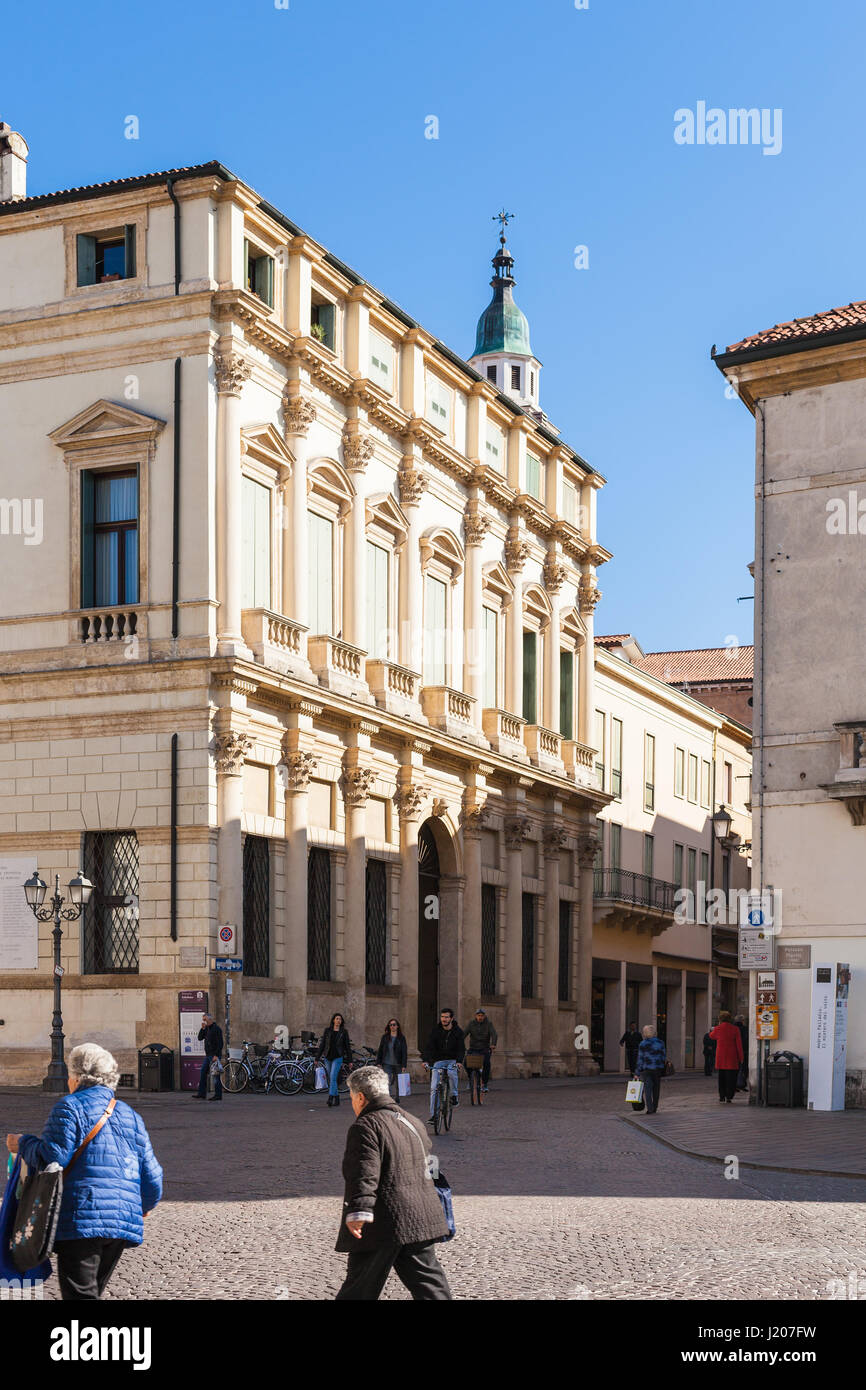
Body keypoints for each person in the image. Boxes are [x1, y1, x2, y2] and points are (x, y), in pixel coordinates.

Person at [6, 1043, 163, 1301]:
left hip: (81, 1217)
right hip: (120, 1222)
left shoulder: (70, 1106)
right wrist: (142, 1206)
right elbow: (152, 1175)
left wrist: (23, 1143)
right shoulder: (130, 1114)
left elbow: (52, 1157)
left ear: (77, 1077)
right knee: (91, 1292)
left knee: (81, 1295)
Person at [334, 1065, 452, 1300]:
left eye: (351, 1098)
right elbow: (431, 1166)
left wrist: (359, 1210)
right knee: (431, 1288)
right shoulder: (413, 1122)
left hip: (385, 1221)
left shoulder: (366, 1126)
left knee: (358, 1289)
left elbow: (364, 1171)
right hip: (420, 1217)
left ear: (360, 1097)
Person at [422, 1008, 465, 1126]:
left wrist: (459, 1062)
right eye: (442, 1017)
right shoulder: (435, 1031)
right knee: (434, 1088)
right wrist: (426, 1060)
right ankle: (433, 1116)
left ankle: (454, 1095)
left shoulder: (458, 1032)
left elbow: (461, 1048)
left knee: (451, 1073)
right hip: (438, 1061)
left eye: (446, 1017)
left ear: (451, 1019)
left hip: (452, 1060)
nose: (444, 1019)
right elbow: (429, 1046)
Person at [317, 1012, 353, 1107]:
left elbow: (347, 1046)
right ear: (333, 1020)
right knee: (331, 1078)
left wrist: (350, 1060)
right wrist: (317, 1057)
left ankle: (330, 1098)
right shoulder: (327, 1031)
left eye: (340, 1019)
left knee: (333, 1077)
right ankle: (337, 1097)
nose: (338, 1020)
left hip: (338, 1057)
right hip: (328, 1057)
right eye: (337, 1018)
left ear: (341, 1021)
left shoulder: (344, 1032)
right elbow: (323, 1044)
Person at [711, 1011, 744, 1103]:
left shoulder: (718, 1028)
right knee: (731, 1078)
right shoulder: (735, 1029)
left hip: (721, 1057)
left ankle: (722, 1096)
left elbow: (711, 1036)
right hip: (732, 1057)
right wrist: (741, 1057)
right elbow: (739, 1045)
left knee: (721, 1078)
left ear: (720, 1019)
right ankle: (729, 1096)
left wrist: (717, 1026)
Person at [462, 1008, 497, 1092]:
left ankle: (484, 1084)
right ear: (476, 1016)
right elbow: (464, 1034)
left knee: (486, 1064)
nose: (480, 1017)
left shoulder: (489, 1024)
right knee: (466, 1063)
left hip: (484, 1048)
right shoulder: (471, 1024)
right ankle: (471, 1079)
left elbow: (494, 1034)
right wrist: (461, 1044)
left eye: (482, 1016)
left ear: (484, 1016)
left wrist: (493, 1044)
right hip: (473, 1048)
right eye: (478, 1015)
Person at [635, 1024, 666, 1114]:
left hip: (647, 1069)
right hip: (657, 1069)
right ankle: (655, 1107)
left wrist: (637, 1072)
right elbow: (663, 1056)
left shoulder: (643, 1044)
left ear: (645, 1033)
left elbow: (640, 1059)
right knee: (656, 1089)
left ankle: (650, 1109)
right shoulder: (661, 1043)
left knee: (647, 1089)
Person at [375, 1018, 408, 1104]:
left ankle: (397, 1097)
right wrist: (378, 1062)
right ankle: (388, 1099)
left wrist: (404, 1065)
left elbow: (404, 1052)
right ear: (389, 1026)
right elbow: (381, 1049)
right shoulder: (385, 1037)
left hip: (398, 1063)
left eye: (394, 1025)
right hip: (387, 1063)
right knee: (387, 1082)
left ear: (397, 1026)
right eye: (391, 1025)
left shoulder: (401, 1038)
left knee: (398, 1083)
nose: (392, 1026)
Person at [195, 1012, 223, 1101]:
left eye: (205, 1019)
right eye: (203, 1020)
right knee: (203, 1072)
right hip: (208, 1055)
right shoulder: (206, 1029)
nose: (204, 1021)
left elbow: (220, 1043)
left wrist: (216, 1055)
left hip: (214, 1055)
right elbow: (200, 1038)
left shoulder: (216, 1029)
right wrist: (202, 1029)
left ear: (210, 1019)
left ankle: (218, 1095)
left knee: (215, 1075)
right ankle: (201, 1093)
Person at [735, 1014, 749, 1091]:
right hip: (744, 1051)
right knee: (744, 1069)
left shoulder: (733, 1028)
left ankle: (736, 1084)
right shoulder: (745, 1029)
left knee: (735, 1069)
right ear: (742, 1021)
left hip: (734, 1051)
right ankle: (741, 1084)